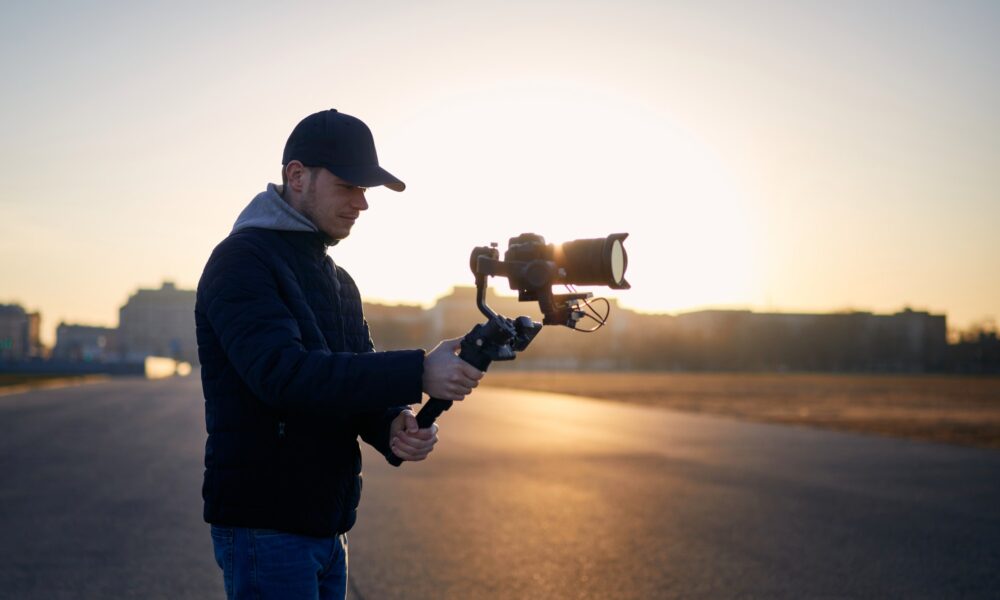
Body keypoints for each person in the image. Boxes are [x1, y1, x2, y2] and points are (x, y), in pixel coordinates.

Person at [195, 109, 485, 600]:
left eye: (365, 189)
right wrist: (418, 370)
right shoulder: (241, 261)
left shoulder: (338, 280)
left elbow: (351, 379)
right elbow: (283, 376)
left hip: (327, 527)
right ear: (296, 176)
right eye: (350, 185)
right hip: (266, 526)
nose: (363, 203)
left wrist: (391, 425)